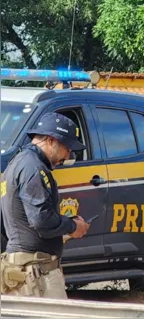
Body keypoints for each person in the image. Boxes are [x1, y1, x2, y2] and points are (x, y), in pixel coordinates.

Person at [0, 113, 90, 298]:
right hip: (36, 273)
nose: (68, 155)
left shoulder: (17, 163)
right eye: (67, 148)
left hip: (24, 269)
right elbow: (41, 220)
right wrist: (73, 227)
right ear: (50, 140)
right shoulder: (33, 169)